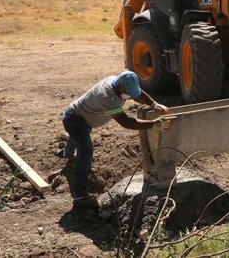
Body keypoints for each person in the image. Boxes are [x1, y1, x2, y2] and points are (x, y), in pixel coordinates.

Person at [58, 71, 174, 208]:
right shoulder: (106, 97)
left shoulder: (119, 82)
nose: (131, 95)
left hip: (85, 118)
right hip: (74, 119)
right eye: (128, 91)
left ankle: (67, 154)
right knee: (86, 150)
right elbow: (126, 122)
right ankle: (80, 195)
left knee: (77, 138)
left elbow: (138, 92)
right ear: (119, 86)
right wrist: (154, 124)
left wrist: (154, 104)